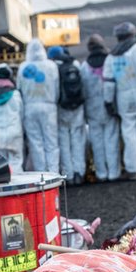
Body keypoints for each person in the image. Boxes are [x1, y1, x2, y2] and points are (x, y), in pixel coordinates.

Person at [102, 22, 136, 180]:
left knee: (129, 134)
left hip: (124, 98)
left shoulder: (112, 57)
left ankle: (132, 169)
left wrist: (108, 101)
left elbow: (108, 82)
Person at [82, 34, 120, 181]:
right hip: (108, 107)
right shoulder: (109, 61)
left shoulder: (85, 66)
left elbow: (83, 90)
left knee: (97, 143)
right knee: (111, 140)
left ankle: (101, 173)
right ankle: (114, 172)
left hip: (92, 109)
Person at [18, 38, 60, 173]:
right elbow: (57, 88)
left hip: (29, 107)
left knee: (35, 143)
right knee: (51, 142)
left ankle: (41, 174)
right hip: (49, 106)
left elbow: (19, 89)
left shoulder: (22, 67)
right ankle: (53, 172)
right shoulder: (51, 66)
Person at [51, 46, 87, 183]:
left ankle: (68, 175)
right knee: (77, 140)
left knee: (64, 143)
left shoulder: (54, 68)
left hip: (62, 109)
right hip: (77, 108)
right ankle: (80, 172)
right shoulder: (75, 64)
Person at [0, 66, 25, 172]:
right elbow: (21, 114)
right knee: (16, 162)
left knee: (0, 166)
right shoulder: (15, 94)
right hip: (14, 132)